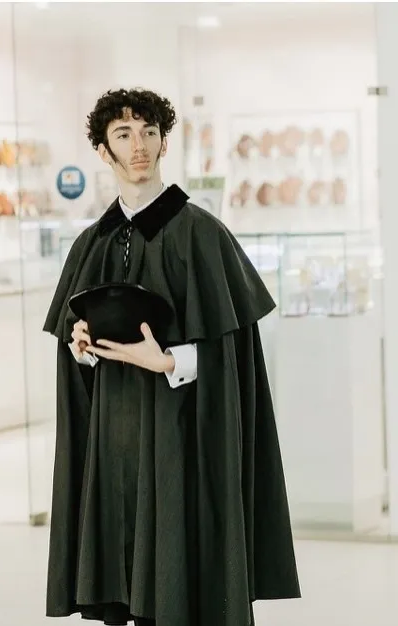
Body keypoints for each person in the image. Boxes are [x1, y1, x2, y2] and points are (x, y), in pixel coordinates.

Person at [43, 88, 301, 626]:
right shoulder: (91, 243)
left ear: (164, 144)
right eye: (123, 135)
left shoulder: (202, 233)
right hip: (114, 447)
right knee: (124, 587)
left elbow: (236, 356)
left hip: (181, 441)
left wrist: (168, 362)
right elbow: (76, 358)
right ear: (103, 150)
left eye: (149, 133)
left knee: (179, 587)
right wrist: (82, 350)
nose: (138, 145)